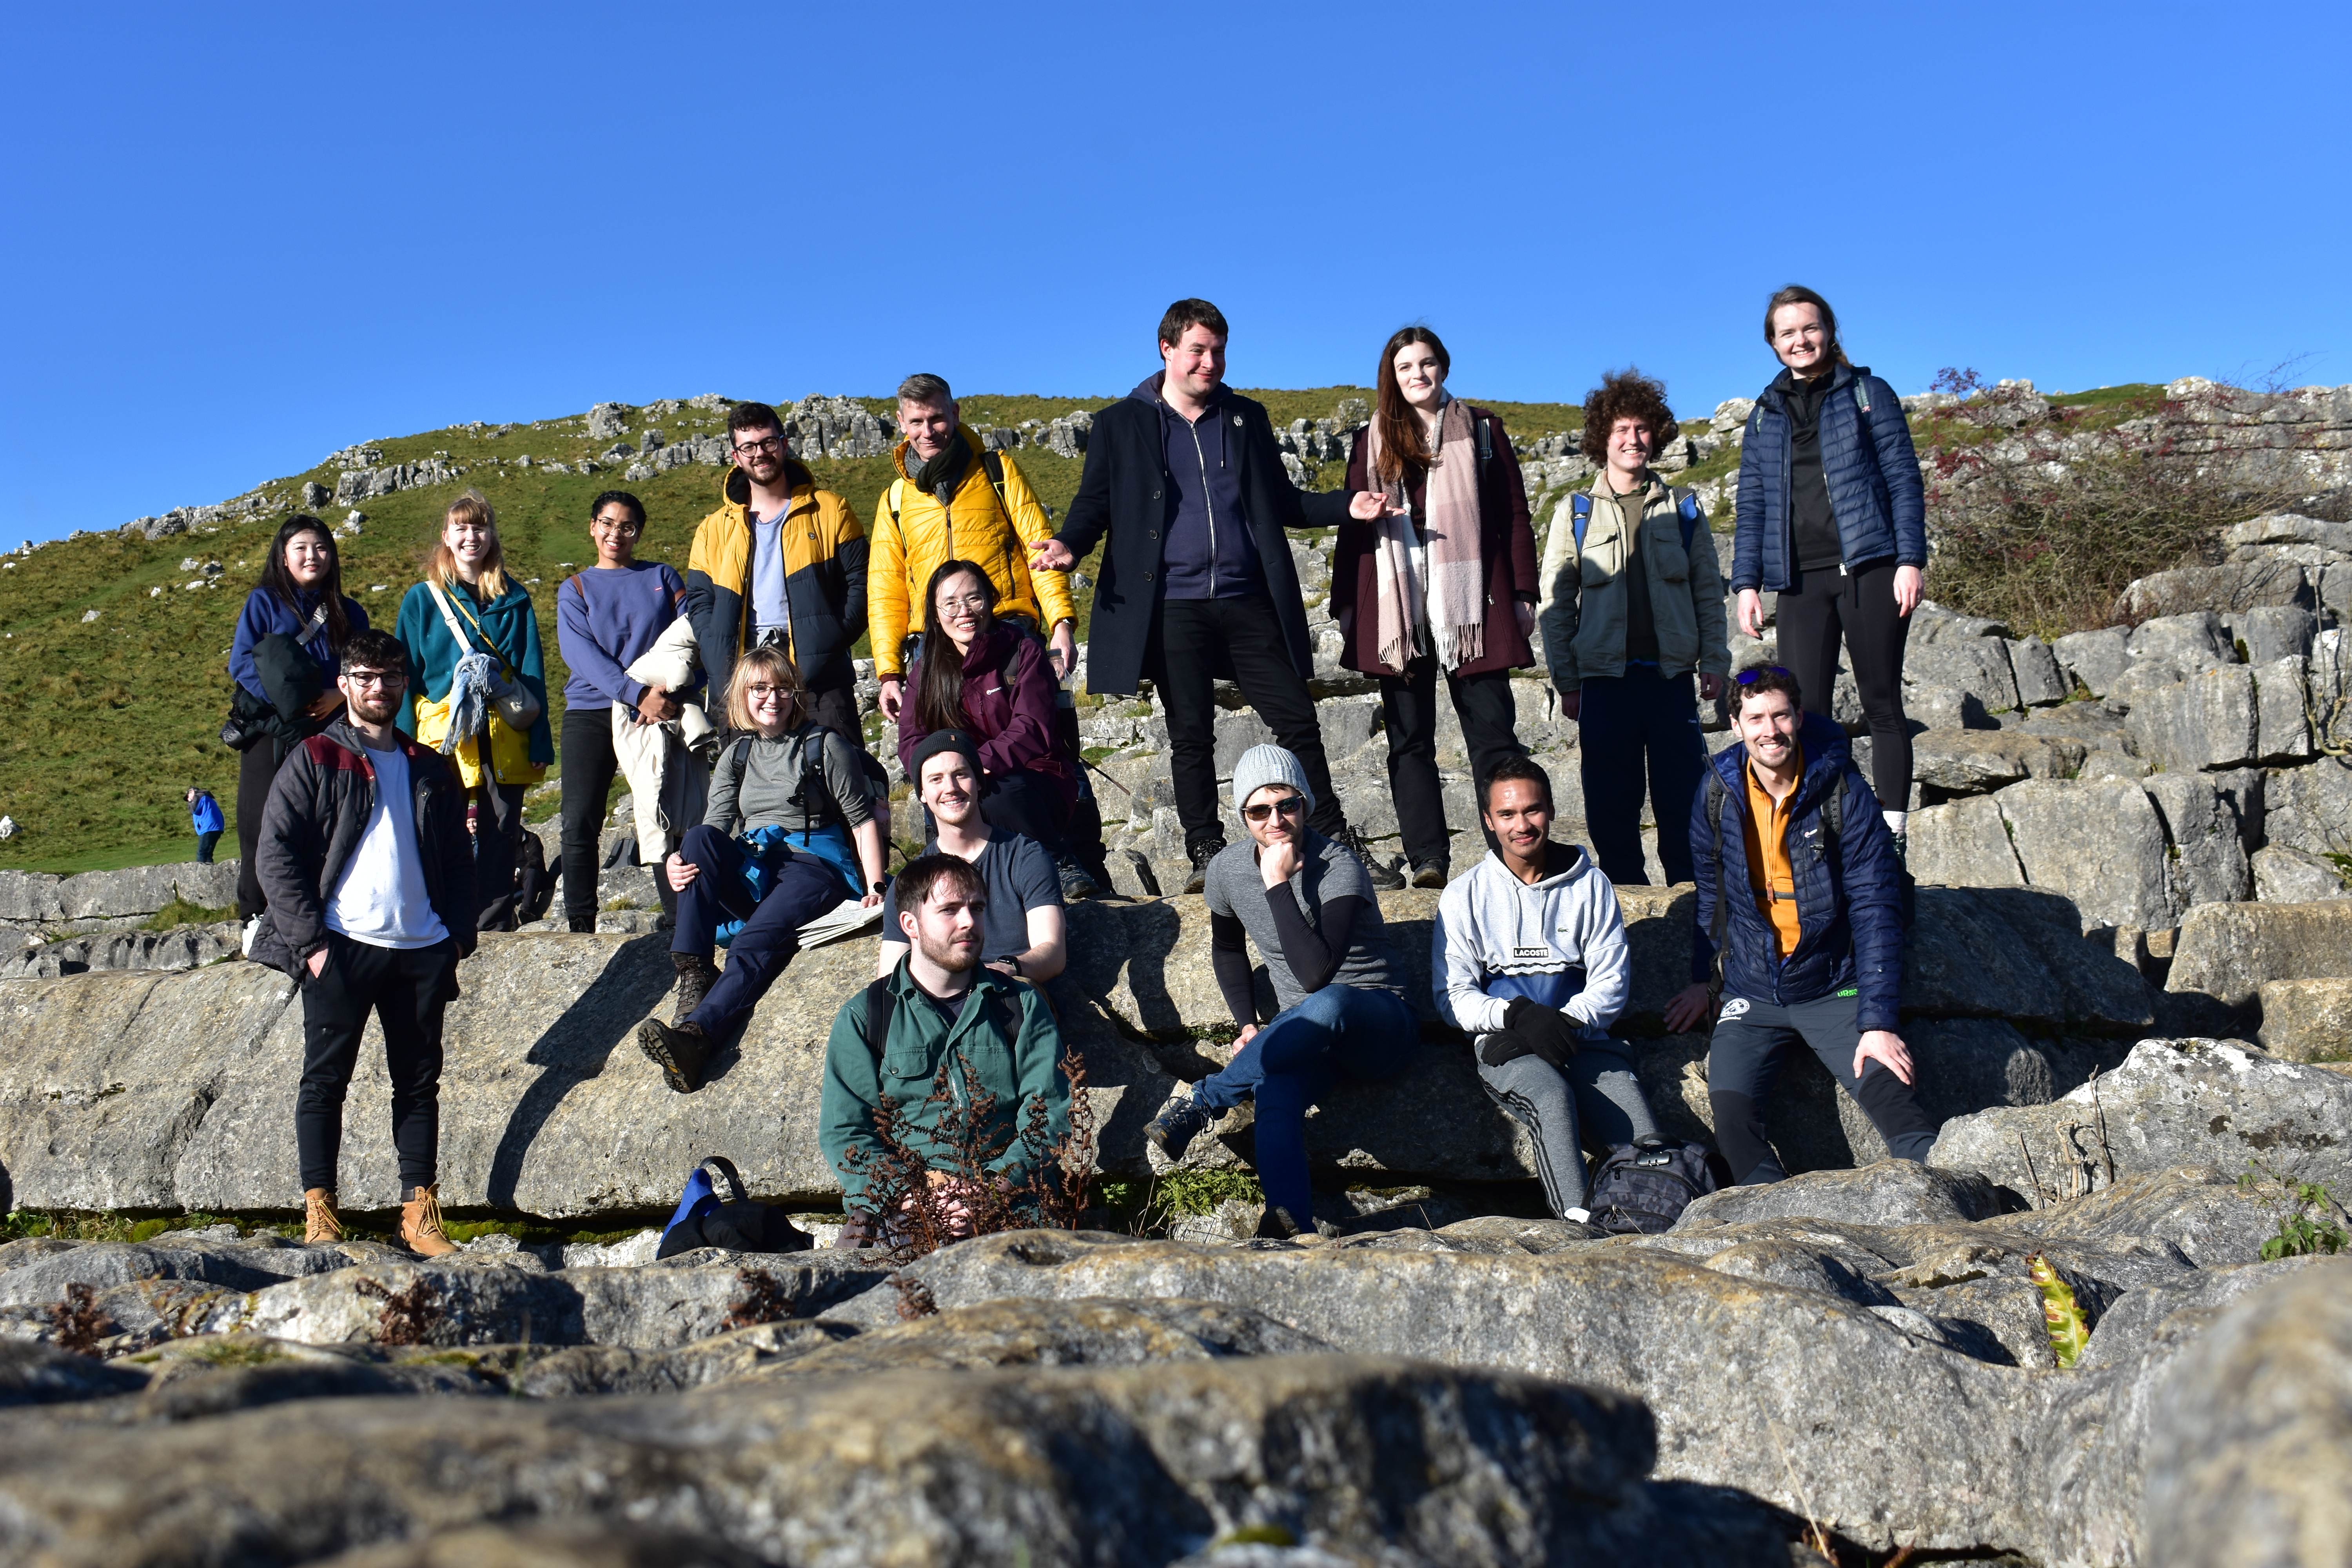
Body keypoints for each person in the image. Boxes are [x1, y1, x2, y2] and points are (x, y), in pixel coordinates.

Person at [1031, 299, 1400, 894]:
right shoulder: (1120, 425)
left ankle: (1330, 837)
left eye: (1219, 351)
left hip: (1246, 597)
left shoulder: (1245, 419)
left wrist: (1347, 505)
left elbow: (1285, 502)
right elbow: (1093, 505)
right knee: (1190, 735)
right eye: (1199, 350)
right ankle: (1205, 851)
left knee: (1297, 719)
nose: (1211, 362)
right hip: (1172, 605)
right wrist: (1071, 545)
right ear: (1167, 350)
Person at [245, 629, 477, 1254]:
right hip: (341, 946)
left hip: (422, 948)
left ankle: (419, 1215)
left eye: (391, 677)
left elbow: (460, 858)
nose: (380, 689)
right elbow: (277, 855)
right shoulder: (317, 756)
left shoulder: (431, 765)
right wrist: (312, 945)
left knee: (419, 1083)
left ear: (406, 684)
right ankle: (321, 1213)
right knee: (325, 1083)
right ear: (344, 683)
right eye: (367, 678)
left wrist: (456, 939)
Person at [1661, 664, 1936, 1184]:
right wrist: (1705, 980)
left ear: (1799, 717)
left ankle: (1952, 1216)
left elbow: (1875, 905)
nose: (1771, 730)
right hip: (1753, 991)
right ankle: (1772, 1227)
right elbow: (1711, 895)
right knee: (1732, 1119)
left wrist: (1878, 1022)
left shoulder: (1841, 789)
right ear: (1736, 726)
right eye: (1757, 718)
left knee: (1898, 1108)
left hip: (1831, 985)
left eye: (1781, 715)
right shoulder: (1717, 792)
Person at [1143, 745, 1419, 1239]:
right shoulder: (1228, 870)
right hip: (1307, 1034)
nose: (1275, 820)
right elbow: (1228, 949)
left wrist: (1276, 883)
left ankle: (1205, 1101)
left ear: (1306, 804)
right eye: (1259, 810)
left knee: (1329, 1002)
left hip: (1378, 1022)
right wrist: (1249, 1023)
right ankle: (1287, 1219)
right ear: (1242, 816)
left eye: (1287, 805)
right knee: (1275, 1090)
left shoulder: (1339, 865)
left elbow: (1318, 974)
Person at [1330, 327, 1538, 889]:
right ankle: (1428, 860)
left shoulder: (1483, 429)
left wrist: (1523, 594)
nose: (1418, 374)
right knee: (1409, 737)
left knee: (1493, 735)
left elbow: (1514, 513)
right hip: (1397, 604)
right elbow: (1354, 525)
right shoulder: (1369, 439)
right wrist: (1347, 604)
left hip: (1476, 600)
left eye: (1427, 363)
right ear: (1391, 377)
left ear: (1444, 367)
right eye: (1406, 367)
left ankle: (1510, 855)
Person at [635, 646, 887, 1095]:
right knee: (695, 840)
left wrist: (876, 886)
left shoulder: (824, 745)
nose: (773, 698)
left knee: (754, 940)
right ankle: (694, 969)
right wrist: (680, 863)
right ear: (742, 696)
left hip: (814, 867)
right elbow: (712, 833)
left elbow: (861, 820)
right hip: (757, 867)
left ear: (795, 695)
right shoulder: (738, 753)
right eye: (760, 689)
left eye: (782, 688)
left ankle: (697, 1038)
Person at [1731, 285, 1926, 857]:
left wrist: (1909, 559)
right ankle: (1818, 830)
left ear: (1829, 332)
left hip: (1871, 569)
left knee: (1882, 703)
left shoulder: (1869, 393)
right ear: (1773, 343)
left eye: (1809, 329)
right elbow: (1755, 506)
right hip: (1798, 580)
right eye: (1787, 333)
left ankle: (1891, 835)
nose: (1800, 340)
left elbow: (1903, 481)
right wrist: (1747, 583)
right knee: (1804, 715)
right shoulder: (1765, 417)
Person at [1432, 756, 1660, 1221]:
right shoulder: (1463, 895)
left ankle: (1651, 1233)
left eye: (1532, 810)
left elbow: (1611, 980)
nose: (1522, 825)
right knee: (1552, 1099)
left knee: (1648, 1147)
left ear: (1551, 810)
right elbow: (1452, 996)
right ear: (1488, 819)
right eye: (1508, 814)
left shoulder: (1591, 885)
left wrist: (1568, 1022)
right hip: (1509, 1047)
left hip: (1587, 1040)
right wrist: (1515, 1017)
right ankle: (1576, 1228)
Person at [1538, 369, 1732, 886]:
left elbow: (1708, 594)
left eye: (1642, 429)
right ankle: (1628, 907)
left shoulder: (1686, 509)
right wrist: (1567, 681)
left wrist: (1715, 660)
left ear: (1657, 435)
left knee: (1685, 803)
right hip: (1604, 683)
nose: (1633, 440)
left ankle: (1694, 911)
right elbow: (1556, 606)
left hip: (1670, 680)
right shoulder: (1575, 513)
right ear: (1603, 438)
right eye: (1622, 429)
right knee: (1611, 806)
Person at [820, 851, 1071, 1241]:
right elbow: (847, 1133)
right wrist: (915, 1197)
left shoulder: (1019, 1005)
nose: (969, 921)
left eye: (977, 907)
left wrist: (991, 1191)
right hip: (901, 1211)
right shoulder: (866, 1017)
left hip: (1012, 1205)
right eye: (950, 910)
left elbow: (1051, 1115)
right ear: (910, 924)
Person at [393, 489, 552, 931]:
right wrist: (401, 747)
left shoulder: (514, 597)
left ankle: (494, 928)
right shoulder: (421, 600)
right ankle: (441, 923)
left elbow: (532, 671)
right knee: (441, 832)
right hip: (441, 740)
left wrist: (541, 740)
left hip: (506, 739)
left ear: (492, 535)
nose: (471, 536)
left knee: (501, 836)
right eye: (461, 528)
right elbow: (403, 677)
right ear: (446, 536)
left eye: (479, 527)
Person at [871, 373, 1078, 712]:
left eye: (937, 418)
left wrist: (1061, 625)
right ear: (901, 423)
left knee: (1041, 745)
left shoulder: (999, 471)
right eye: (917, 422)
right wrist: (889, 672)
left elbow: (1041, 553)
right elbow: (885, 589)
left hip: (1009, 633)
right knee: (951, 755)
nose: (928, 432)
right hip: (935, 644)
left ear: (955, 413)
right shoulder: (894, 500)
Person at [897, 560, 1096, 901]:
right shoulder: (925, 669)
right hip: (963, 780)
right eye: (951, 603)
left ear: (990, 600)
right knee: (955, 800)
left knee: (999, 794)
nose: (964, 612)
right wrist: (948, 773)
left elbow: (1031, 727)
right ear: (935, 610)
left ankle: (1057, 861)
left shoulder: (1022, 651)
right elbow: (912, 739)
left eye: (974, 599)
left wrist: (971, 766)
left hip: (1035, 776)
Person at [553, 490, 699, 932]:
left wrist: (668, 694)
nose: (616, 533)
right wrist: (635, 693)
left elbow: (691, 634)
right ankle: (581, 924)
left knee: (664, 810)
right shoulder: (575, 587)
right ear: (593, 527)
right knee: (580, 818)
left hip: (655, 710)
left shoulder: (663, 577)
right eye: (607, 523)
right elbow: (580, 653)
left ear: (638, 533)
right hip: (595, 708)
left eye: (627, 526)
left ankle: (681, 920)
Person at [686, 402, 869, 742]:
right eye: (749, 447)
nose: (760, 453)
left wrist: (830, 638)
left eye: (769, 442)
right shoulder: (711, 530)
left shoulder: (832, 509)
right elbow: (699, 602)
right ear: (735, 456)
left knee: (839, 783)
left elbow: (861, 583)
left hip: (820, 682)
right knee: (748, 791)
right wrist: (716, 650)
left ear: (784, 444)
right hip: (742, 681)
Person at [227, 515, 368, 927]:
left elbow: (365, 669)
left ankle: (322, 914)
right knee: (260, 823)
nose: (313, 556)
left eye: (322, 547)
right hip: (270, 735)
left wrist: (335, 696)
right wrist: (295, 702)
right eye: (301, 548)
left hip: (331, 735)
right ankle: (255, 919)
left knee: (325, 825)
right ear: (283, 556)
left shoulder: (351, 612)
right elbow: (242, 665)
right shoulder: (264, 602)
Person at [877, 730, 1065, 983]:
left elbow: (1052, 953)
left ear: (978, 782)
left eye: (960, 775)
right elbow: (889, 979)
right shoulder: (909, 881)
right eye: (936, 779)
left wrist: (1006, 970)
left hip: (1011, 998)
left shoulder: (1025, 857)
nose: (950, 788)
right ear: (922, 794)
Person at [187, 787, 225, 864]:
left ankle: (201, 873)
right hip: (217, 828)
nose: (188, 799)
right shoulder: (208, 799)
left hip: (208, 828)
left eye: (188, 796)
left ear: (192, 792)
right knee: (208, 854)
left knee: (202, 853)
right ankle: (212, 871)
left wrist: (191, 802)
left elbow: (193, 810)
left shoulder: (199, 797)